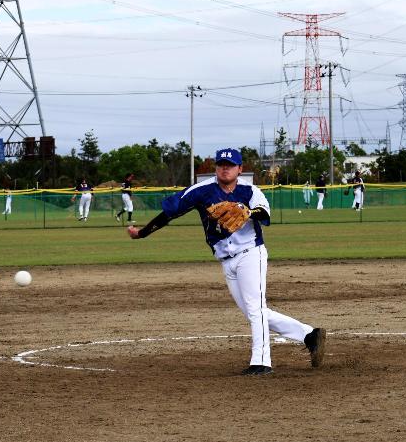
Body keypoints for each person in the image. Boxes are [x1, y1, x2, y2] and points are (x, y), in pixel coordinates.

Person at [126, 147, 326, 375]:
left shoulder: (250, 191)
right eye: (221, 164)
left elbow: (265, 214)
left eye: (230, 165)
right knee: (254, 311)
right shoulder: (201, 191)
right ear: (216, 167)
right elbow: (169, 213)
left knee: (255, 309)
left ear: (240, 169)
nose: (225, 168)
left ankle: (261, 362)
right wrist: (142, 233)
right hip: (226, 260)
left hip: (251, 253)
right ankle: (310, 336)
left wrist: (248, 212)